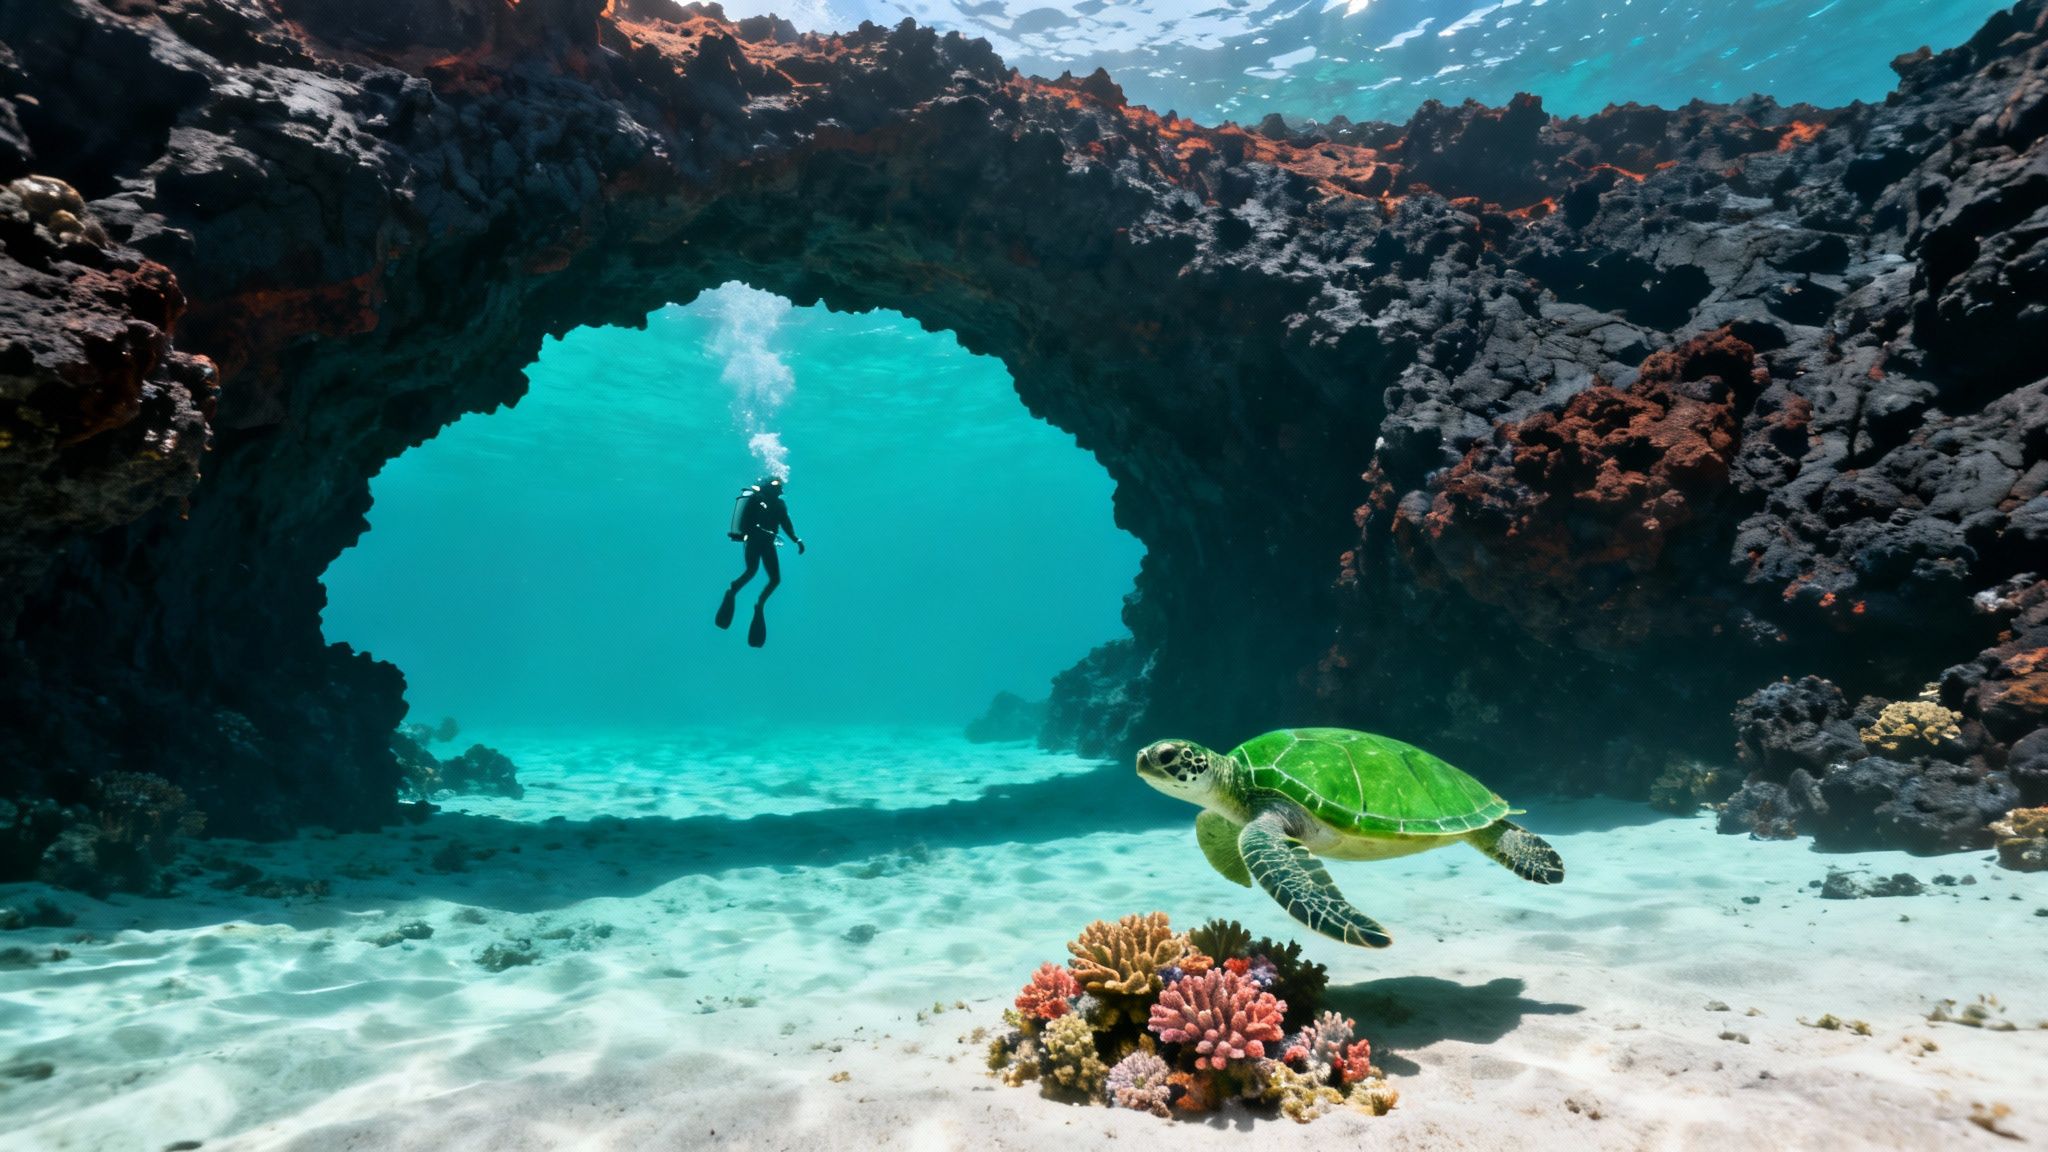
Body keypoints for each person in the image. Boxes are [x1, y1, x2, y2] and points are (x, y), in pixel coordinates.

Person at [715, 476, 804, 647]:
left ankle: (752, 600)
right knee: (755, 572)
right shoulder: (759, 500)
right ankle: (740, 594)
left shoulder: (778, 504)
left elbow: (786, 524)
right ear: (771, 487)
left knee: (767, 576)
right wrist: (793, 539)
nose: (781, 490)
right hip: (757, 542)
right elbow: (756, 523)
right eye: (778, 487)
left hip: (764, 542)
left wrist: (796, 539)